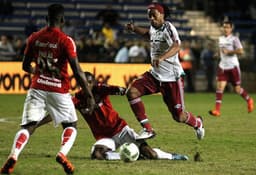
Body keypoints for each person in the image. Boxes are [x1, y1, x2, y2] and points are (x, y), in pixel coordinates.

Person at [0, 4, 95, 175]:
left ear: (46, 19)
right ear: (63, 20)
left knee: (28, 126)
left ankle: (14, 155)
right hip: (59, 89)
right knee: (71, 124)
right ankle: (62, 154)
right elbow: (78, 71)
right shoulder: (66, 40)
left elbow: (25, 66)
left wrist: (39, 71)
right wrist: (89, 94)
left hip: (37, 88)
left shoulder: (34, 37)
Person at [37, 72, 189, 161]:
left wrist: (126, 91)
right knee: (96, 154)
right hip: (104, 137)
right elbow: (56, 113)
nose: (85, 86)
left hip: (121, 130)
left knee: (151, 154)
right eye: (82, 83)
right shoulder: (76, 99)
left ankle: (172, 156)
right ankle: (129, 155)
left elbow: (125, 91)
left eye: (88, 83)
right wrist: (36, 124)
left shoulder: (101, 89)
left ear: (93, 83)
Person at [125, 3, 204, 140]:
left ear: (161, 15)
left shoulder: (168, 27)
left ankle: (198, 123)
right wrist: (134, 29)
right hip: (154, 76)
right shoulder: (153, 28)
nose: (151, 18)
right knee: (132, 92)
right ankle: (148, 129)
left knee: (179, 116)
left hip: (172, 78)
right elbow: (148, 34)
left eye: (153, 15)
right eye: (149, 15)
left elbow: (177, 45)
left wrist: (161, 58)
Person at [209, 20, 254, 117]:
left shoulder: (234, 39)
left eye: (227, 27)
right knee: (220, 87)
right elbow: (221, 51)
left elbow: (241, 51)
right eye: (224, 27)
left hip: (233, 67)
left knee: (237, 89)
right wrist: (217, 54)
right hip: (223, 67)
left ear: (231, 28)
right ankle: (217, 110)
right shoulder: (220, 39)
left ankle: (249, 100)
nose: (225, 29)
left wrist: (229, 52)